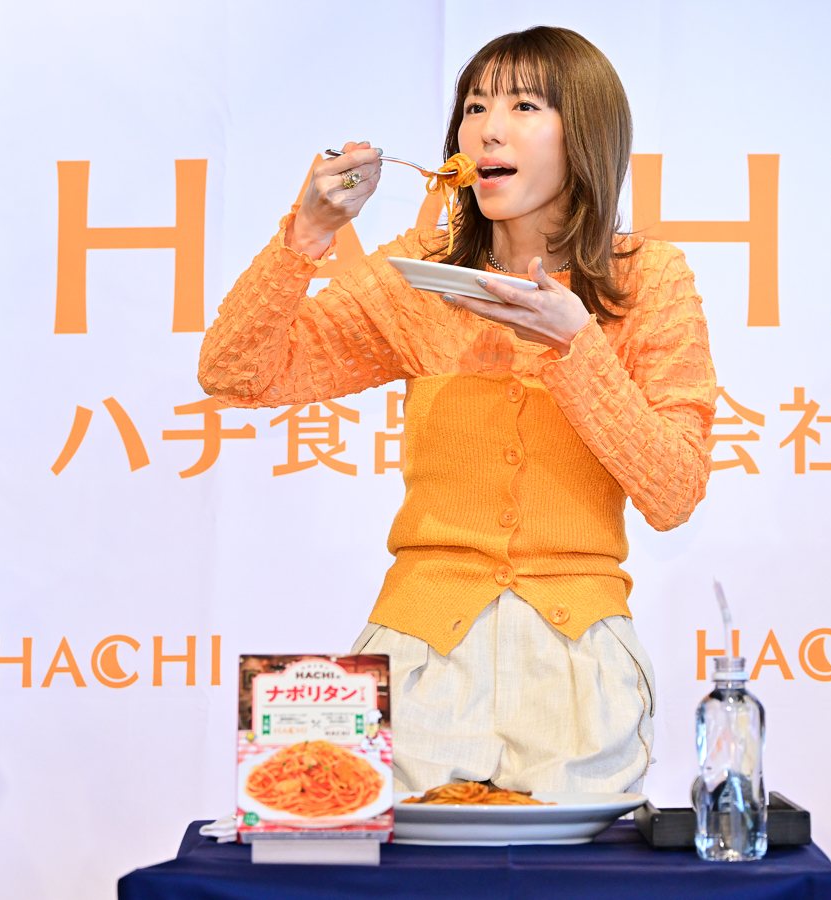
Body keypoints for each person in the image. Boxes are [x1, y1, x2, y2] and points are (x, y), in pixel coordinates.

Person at [198, 26, 716, 795]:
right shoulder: (419, 276)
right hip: (418, 658)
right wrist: (308, 233)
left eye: (524, 106)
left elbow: (673, 493)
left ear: (587, 134)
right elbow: (235, 373)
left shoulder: (646, 281)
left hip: (579, 661)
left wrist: (577, 345)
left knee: (577, 857)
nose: (487, 130)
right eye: (474, 107)